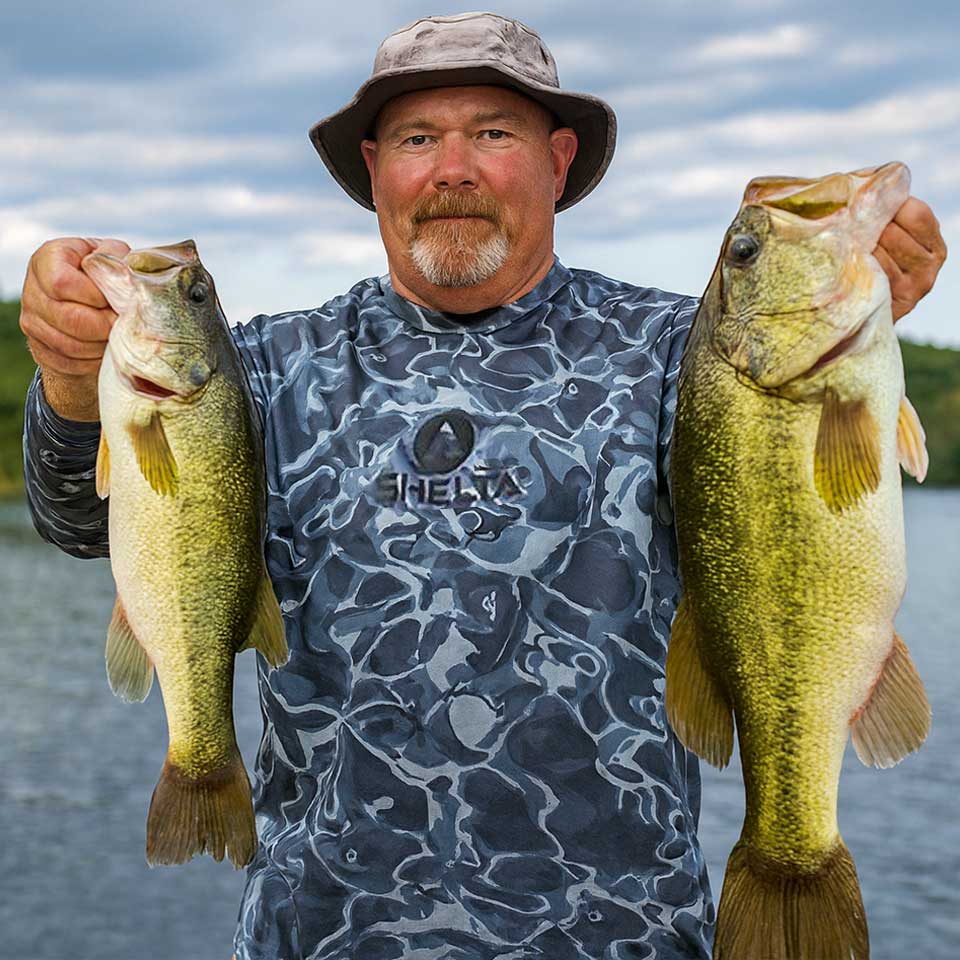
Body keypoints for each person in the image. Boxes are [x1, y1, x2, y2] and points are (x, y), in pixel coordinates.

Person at [18, 12, 946, 960]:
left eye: (493, 132)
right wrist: (68, 376)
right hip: (321, 937)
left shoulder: (681, 351)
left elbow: (797, 477)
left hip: (623, 939)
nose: (452, 167)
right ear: (376, 168)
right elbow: (80, 519)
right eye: (420, 138)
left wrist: (851, 307)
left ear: (558, 159)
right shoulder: (260, 368)